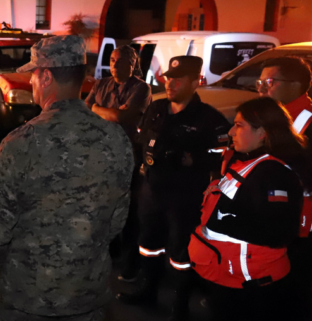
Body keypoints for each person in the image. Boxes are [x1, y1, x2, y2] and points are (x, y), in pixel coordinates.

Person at [0, 35, 133, 321]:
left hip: (29, 299)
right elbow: (117, 221)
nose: (32, 82)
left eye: (33, 74)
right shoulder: (116, 138)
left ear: (46, 77)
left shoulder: (20, 143)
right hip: (88, 295)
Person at [117, 56, 231, 321]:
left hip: (185, 195)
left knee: (181, 253)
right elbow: (141, 140)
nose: (170, 83)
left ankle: (179, 305)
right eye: (168, 78)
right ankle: (148, 290)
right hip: (151, 190)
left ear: (195, 82)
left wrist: (195, 160)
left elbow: (221, 154)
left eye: (178, 79)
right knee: (148, 244)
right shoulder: (156, 108)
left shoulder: (209, 119)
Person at [188, 97, 304, 321]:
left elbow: (278, 232)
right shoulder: (248, 161)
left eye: (239, 125)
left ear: (263, 132)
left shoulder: (273, 173)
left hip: (252, 285)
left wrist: (222, 219)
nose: (231, 132)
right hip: (232, 277)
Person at [85, 45, 151, 281]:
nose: (114, 65)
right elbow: (86, 110)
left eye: (120, 61)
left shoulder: (141, 88)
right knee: (103, 207)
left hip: (127, 157)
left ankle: (130, 262)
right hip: (101, 156)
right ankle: (108, 254)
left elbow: (121, 117)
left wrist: (98, 109)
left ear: (132, 64)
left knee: (130, 212)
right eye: (112, 60)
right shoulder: (101, 84)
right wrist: (105, 111)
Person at [256, 56, 312, 316]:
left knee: (294, 284)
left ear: (296, 85)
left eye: (270, 81)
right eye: (260, 81)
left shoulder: (307, 121)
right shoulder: (274, 117)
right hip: (271, 216)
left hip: (299, 223)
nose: (262, 87)